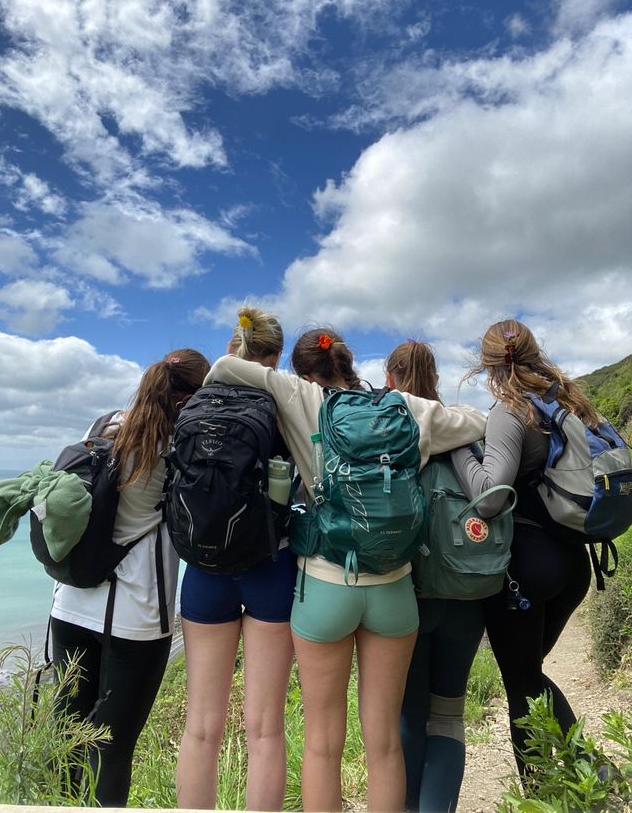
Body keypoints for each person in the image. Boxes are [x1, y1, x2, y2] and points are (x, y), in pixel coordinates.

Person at [204, 325, 486, 812]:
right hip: (394, 590)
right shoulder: (405, 409)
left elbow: (223, 370)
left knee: (322, 743)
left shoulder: (300, 396)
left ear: (301, 368)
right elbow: (479, 422)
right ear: (351, 363)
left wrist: (249, 347)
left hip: (325, 583)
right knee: (384, 743)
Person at [50, 348, 210, 807]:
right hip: (136, 612)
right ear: (191, 396)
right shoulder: (177, 445)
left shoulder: (101, 426)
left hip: (70, 599)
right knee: (112, 746)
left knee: (66, 734)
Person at [451, 319, 594, 778]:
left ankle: (554, 786)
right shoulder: (570, 399)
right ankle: (582, 771)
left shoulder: (509, 410)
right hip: (575, 562)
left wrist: (457, 450)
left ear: (487, 365)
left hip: (529, 569)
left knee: (522, 682)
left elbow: (491, 499)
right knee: (529, 674)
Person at [176, 307, 296, 812]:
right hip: (270, 568)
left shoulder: (194, 404)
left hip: (204, 571)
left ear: (232, 348)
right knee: (265, 728)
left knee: (201, 726)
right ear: (274, 356)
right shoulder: (283, 401)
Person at [386, 340, 485, 812]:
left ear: (390, 379)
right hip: (468, 589)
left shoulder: (390, 428)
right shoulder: (463, 426)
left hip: (410, 592)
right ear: (437, 380)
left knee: (409, 713)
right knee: (448, 715)